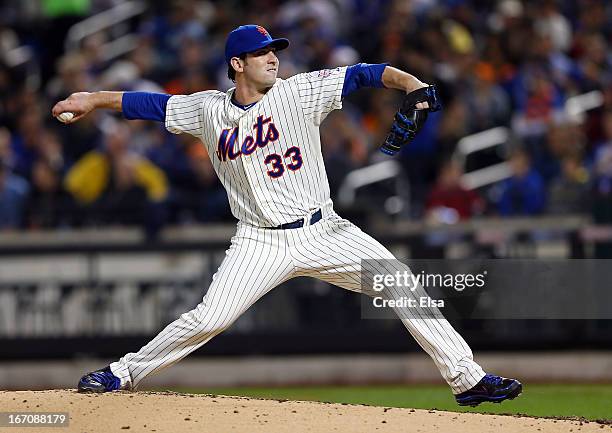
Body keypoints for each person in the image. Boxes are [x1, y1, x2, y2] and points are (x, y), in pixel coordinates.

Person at [52, 24, 521, 406]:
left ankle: (467, 379)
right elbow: (146, 105)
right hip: (259, 241)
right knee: (209, 318)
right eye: (261, 53)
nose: (273, 58)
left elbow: (366, 74)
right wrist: (92, 98)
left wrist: (413, 84)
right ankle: (122, 373)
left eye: (274, 50)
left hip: (325, 230)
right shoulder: (207, 110)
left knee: (400, 283)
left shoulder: (299, 92)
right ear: (238, 64)